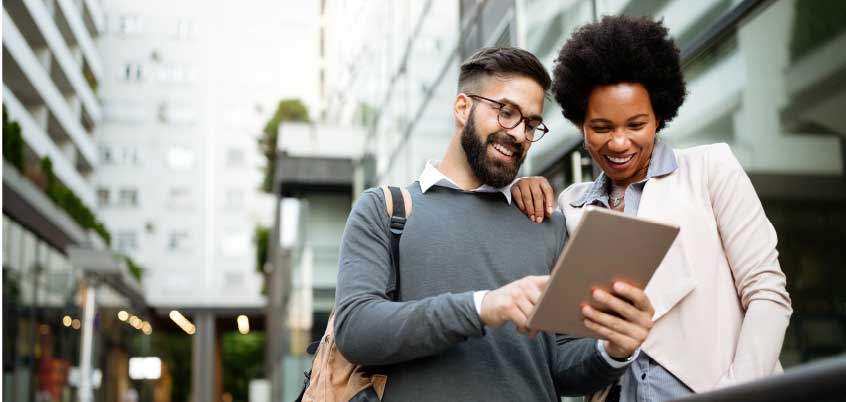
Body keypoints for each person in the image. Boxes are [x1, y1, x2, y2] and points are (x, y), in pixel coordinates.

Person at [333, 47, 656, 401]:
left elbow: (562, 367)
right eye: (506, 112)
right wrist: (481, 306)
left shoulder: (547, 224)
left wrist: (613, 350)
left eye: (531, 124)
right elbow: (356, 330)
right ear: (462, 107)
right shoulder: (385, 210)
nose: (519, 133)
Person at [512, 16, 793, 401]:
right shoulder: (571, 204)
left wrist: (735, 391)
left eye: (636, 124)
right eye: (602, 127)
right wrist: (523, 188)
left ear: (659, 115)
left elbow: (767, 292)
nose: (619, 142)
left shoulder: (710, 169)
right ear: (580, 123)